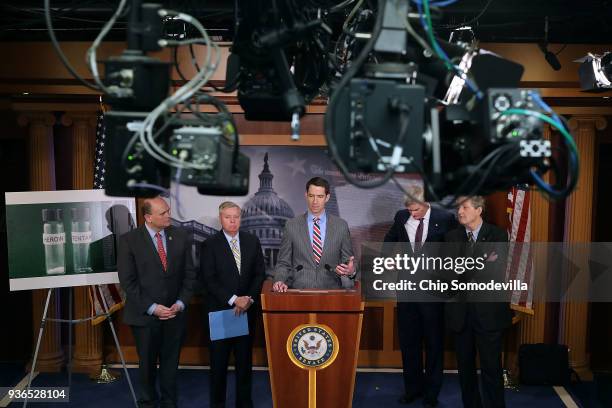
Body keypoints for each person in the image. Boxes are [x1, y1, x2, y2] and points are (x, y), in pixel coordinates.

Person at [117, 196, 197, 408]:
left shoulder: (181, 236)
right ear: (148, 217)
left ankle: (169, 403)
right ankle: (147, 403)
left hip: (174, 313)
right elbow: (128, 281)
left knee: (171, 364)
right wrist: (153, 308)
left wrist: (180, 303)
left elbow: (190, 275)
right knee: (147, 365)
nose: (168, 215)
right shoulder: (129, 240)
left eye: (168, 210)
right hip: (145, 316)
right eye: (163, 213)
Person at [383, 186, 457, 407]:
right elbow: (389, 239)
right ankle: (412, 389)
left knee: (434, 343)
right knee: (409, 342)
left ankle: (431, 393)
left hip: (433, 292)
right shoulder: (401, 216)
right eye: (409, 209)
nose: (411, 213)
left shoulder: (445, 219)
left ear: (426, 204)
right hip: (406, 290)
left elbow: (455, 250)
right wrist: (387, 259)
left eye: (415, 209)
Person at [444, 196, 511, 408]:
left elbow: (493, 273)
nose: (460, 212)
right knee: (465, 370)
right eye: (458, 208)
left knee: (492, 368)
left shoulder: (498, 235)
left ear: (479, 210)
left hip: (489, 315)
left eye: (464, 207)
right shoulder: (451, 237)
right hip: (460, 315)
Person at [200, 201, 265, 408]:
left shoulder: (252, 241)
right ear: (221, 218)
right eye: (228, 217)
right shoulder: (210, 244)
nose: (233, 221)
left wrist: (248, 299)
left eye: (236, 217)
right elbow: (208, 279)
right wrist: (234, 299)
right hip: (220, 312)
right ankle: (217, 404)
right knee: (218, 366)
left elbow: (259, 275)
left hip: (246, 312)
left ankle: (244, 404)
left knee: (244, 365)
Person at [272, 177, 356, 291]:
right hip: (299, 293)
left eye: (320, 196)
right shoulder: (291, 225)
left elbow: (348, 263)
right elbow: (283, 263)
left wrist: (351, 272)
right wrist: (279, 280)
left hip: (332, 294)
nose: (315, 201)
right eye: (311, 196)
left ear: (327, 197)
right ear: (306, 195)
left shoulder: (341, 226)